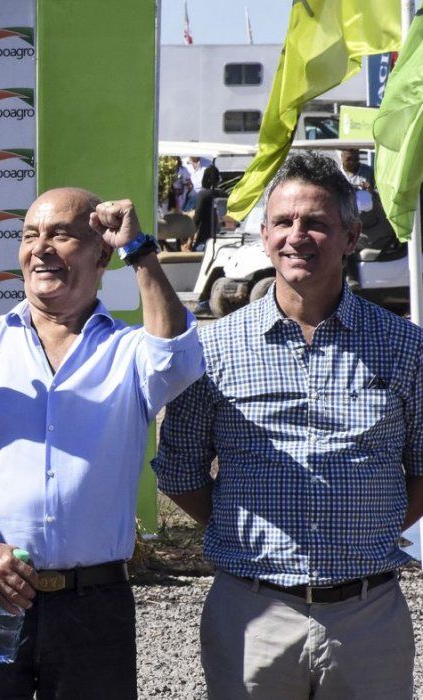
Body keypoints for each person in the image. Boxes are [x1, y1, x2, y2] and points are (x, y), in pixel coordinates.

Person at [0, 188, 205, 699]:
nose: (40, 248)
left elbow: (177, 358)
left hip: (95, 606)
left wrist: (140, 252)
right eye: (30, 235)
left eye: (61, 235)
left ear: (102, 254)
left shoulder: (129, 350)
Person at [153, 151, 423, 699]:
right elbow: (179, 471)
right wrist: (241, 532)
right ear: (264, 235)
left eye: (316, 223)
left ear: (350, 237)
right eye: (283, 222)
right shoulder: (213, 349)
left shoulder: (404, 346)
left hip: (368, 618)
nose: (297, 236)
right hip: (252, 613)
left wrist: (368, 529)